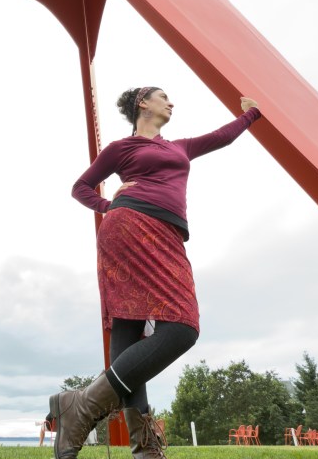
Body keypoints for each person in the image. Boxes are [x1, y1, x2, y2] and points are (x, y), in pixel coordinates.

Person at [48, 87, 261, 459]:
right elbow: (80, 187)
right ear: (142, 103)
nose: (172, 102)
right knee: (181, 327)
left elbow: (221, 137)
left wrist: (251, 114)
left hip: (167, 234)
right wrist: (107, 204)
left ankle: (141, 447)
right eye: (164, 96)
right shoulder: (120, 148)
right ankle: (82, 408)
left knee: (137, 339)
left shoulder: (179, 147)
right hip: (129, 226)